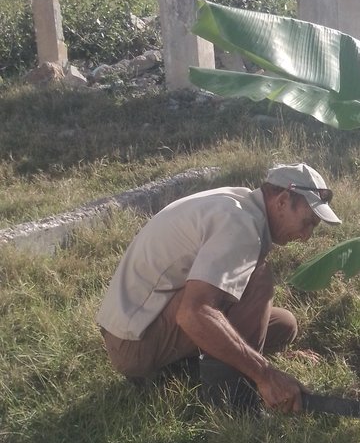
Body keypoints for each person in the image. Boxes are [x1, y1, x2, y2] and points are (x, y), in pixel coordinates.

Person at [96, 163, 341, 414]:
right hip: (134, 343)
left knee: (283, 325)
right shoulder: (242, 225)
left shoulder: (242, 203)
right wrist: (265, 375)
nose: (307, 236)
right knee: (258, 279)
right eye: (308, 222)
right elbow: (193, 313)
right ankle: (232, 403)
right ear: (282, 200)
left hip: (135, 326)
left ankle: (181, 370)